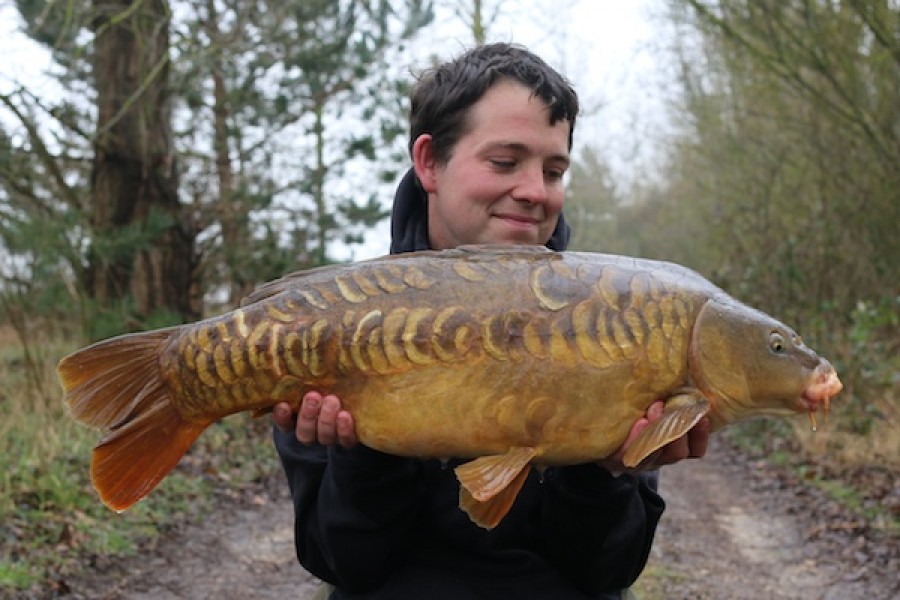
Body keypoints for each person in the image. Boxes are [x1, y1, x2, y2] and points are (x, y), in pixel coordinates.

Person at [272, 43, 709, 600]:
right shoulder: (337, 321)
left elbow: (605, 573)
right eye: (504, 163)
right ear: (429, 162)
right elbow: (344, 563)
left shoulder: (613, 318)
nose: (534, 191)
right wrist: (362, 457)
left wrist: (605, 471)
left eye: (554, 170)